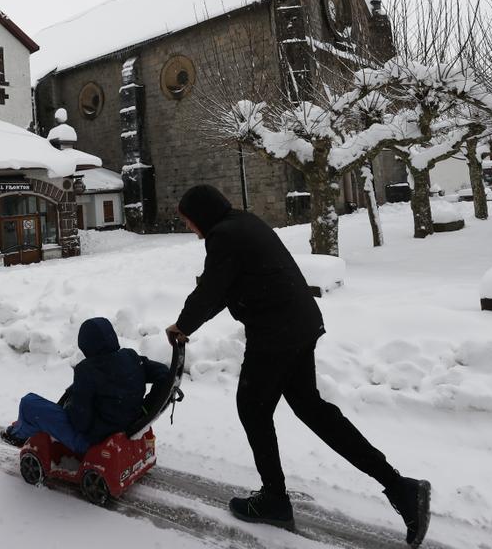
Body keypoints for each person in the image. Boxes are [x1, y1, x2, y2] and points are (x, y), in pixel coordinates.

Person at [165, 184, 431, 547]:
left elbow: (211, 290)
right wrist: (188, 324)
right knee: (312, 409)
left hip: (277, 332)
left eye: (187, 221)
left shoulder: (224, 236)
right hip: (299, 323)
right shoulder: (242, 223)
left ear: (200, 215)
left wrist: (182, 325)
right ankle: (401, 488)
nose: (188, 228)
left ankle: (275, 499)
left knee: (253, 409)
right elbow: (223, 290)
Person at [2, 316, 172, 454]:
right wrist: (145, 408)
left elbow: (80, 422)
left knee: (29, 402)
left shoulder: (87, 371)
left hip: (91, 440)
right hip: (126, 424)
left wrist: (70, 405)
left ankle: (20, 435)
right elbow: (164, 374)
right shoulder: (130, 357)